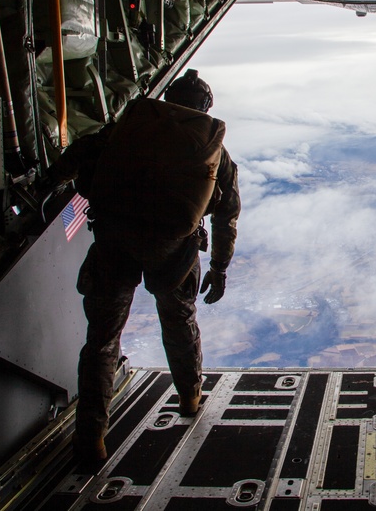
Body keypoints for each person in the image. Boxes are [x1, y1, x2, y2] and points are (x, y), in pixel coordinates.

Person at [44, 70, 240, 461]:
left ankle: (91, 440)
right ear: (205, 108)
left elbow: (80, 154)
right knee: (179, 321)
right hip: (173, 252)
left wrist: (42, 188)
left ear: (168, 97)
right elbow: (226, 214)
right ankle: (189, 397)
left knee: (101, 340)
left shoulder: (130, 126)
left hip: (114, 241)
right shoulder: (214, 148)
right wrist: (219, 267)